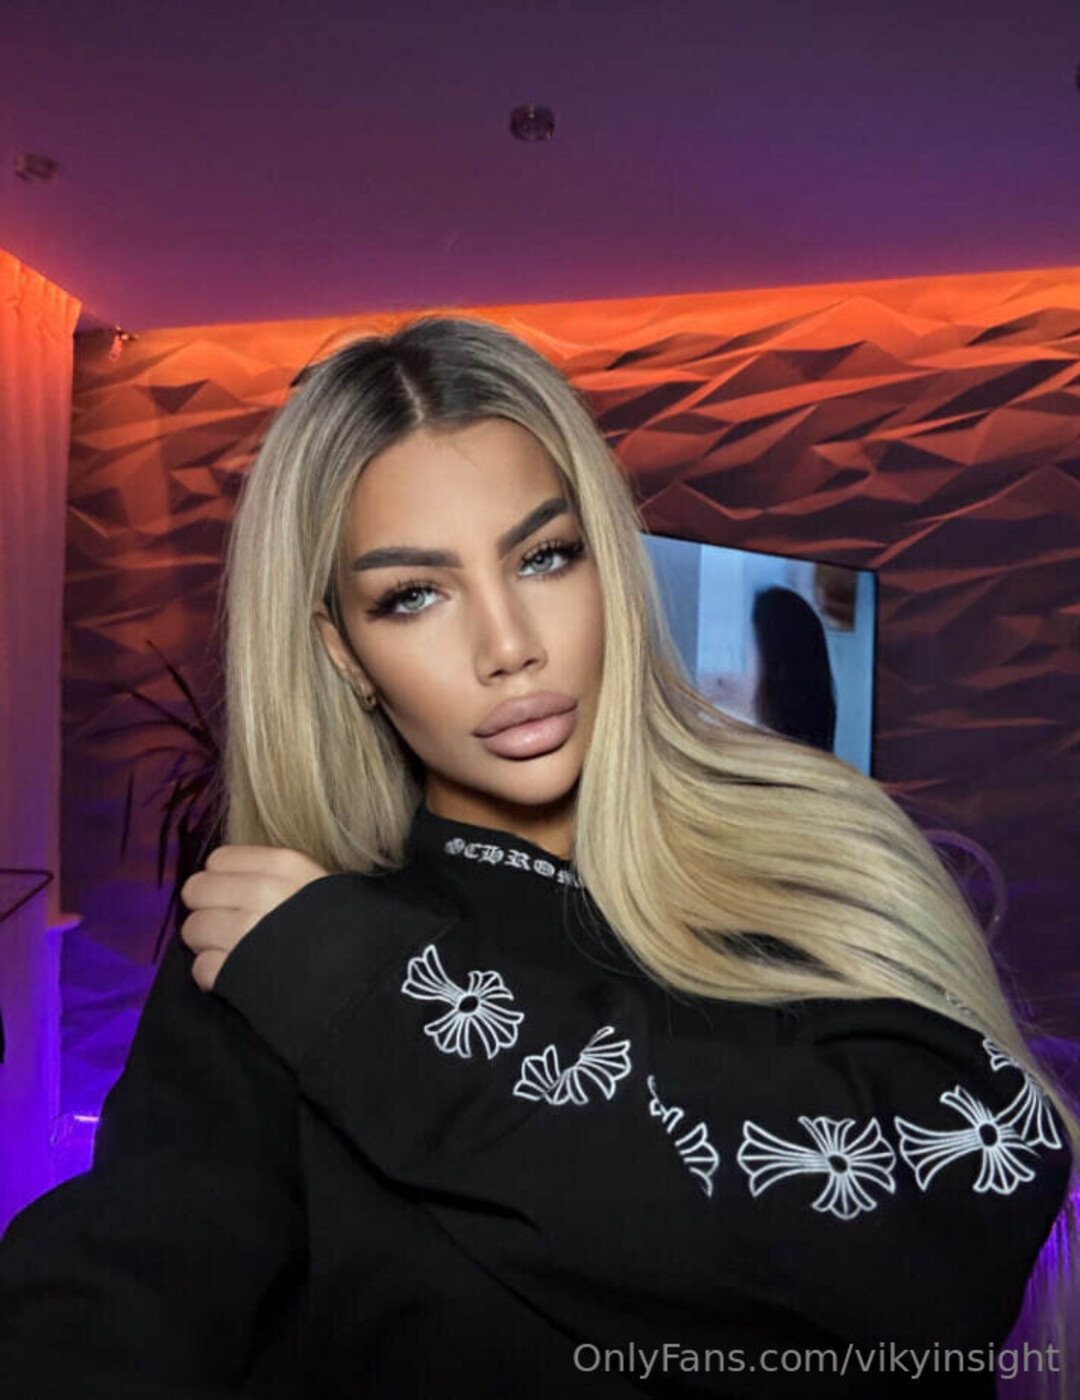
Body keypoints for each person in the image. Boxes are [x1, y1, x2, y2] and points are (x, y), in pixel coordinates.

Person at [0, 315, 1076, 1398]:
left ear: (610, 564)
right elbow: (121, 1287)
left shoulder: (812, 849)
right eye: (413, 595)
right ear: (347, 654)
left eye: (544, 556)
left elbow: (962, 1207)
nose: (509, 645)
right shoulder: (271, 955)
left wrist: (374, 995)